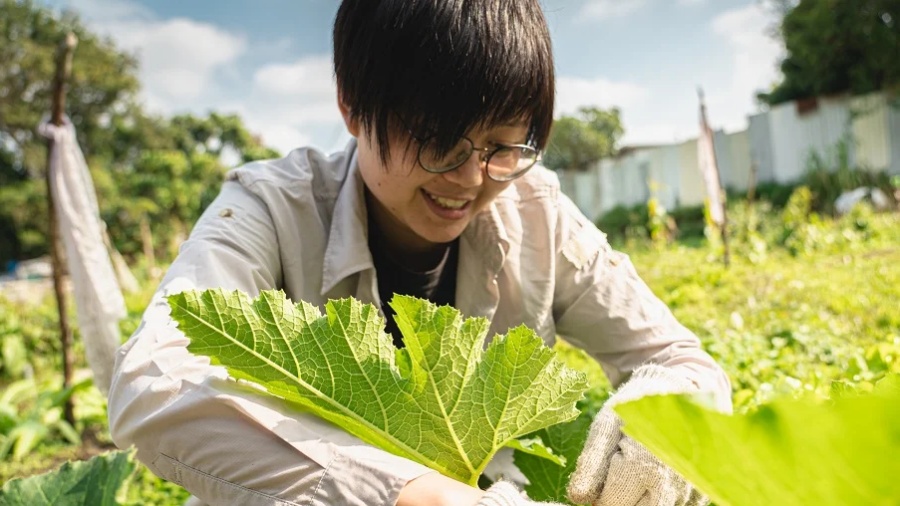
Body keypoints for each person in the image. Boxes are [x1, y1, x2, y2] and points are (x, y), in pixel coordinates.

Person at [107, 1, 732, 505]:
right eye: (438, 140)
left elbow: (678, 357)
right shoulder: (273, 208)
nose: (468, 179)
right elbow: (153, 384)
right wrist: (404, 494)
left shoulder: (537, 211)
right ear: (351, 104)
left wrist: (667, 415)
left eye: (504, 145)